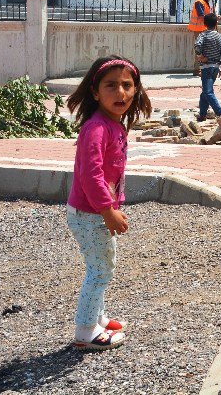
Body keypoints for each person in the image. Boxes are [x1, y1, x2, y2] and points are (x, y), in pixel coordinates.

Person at [65, 55, 152, 350]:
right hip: (90, 213)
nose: (121, 93)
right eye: (111, 85)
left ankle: (97, 316)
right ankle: (85, 331)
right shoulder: (97, 128)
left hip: (95, 212)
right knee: (99, 270)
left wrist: (111, 207)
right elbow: (91, 175)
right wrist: (107, 210)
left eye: (127, 85)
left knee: (103, 265)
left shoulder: (111, 125)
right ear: (95, 91)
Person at [194, 13, 221, 121]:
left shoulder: (203, 35)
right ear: (216, 23)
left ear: (205, 24)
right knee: (204, 93)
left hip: (206, 67)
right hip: (215, 68)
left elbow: (197, 46)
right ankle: (202, 115)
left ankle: (220, 112)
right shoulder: (220, 37)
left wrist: (200, 57)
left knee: (208, 92)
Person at [188, 0, 215, 75]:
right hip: (198, 29)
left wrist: (215, 16)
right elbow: (201, 16)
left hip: (204, 29)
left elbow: (207, 14)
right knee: (199, 50)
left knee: (204, 50)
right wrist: (213, 18)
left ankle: (202, 69)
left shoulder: (206, 2)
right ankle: (197, 70)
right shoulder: (199, 2)